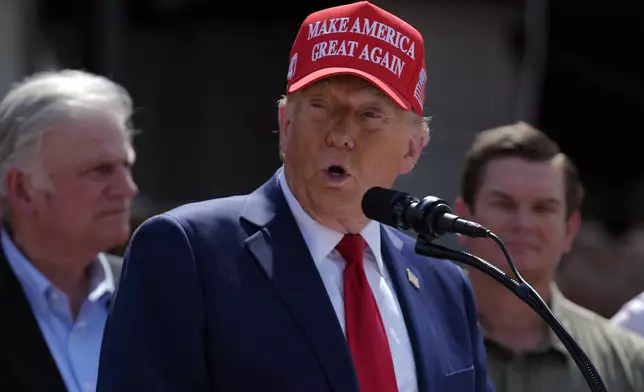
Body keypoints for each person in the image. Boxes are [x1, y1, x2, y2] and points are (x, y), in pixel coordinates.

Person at [96, 2, 493, 392]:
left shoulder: (445, 285)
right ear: (286, 126)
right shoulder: (186, 252)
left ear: (412, 147)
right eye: (321, 106)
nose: (340, 134)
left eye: (370, 115)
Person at [452, 122, 644, 392]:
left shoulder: (626, 364)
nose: (523, 224)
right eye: (503, 204)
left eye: (543, 208)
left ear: (570, 230)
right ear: (463, 217)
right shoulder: (406, 329)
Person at [0, 70, 138, 392]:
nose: (127, 188)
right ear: (22, 190)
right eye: (101, 170)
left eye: (126, 165)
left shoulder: (151, 290)